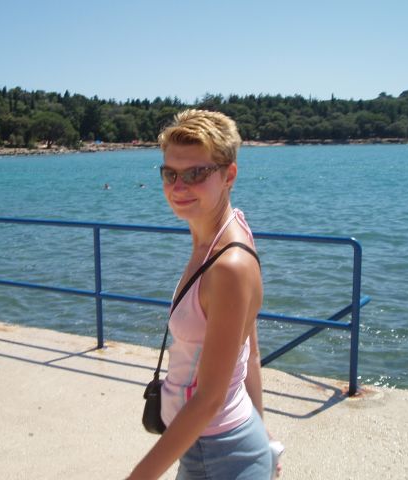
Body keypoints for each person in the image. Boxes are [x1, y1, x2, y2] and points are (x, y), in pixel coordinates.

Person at [128, 110, 282, 479]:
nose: (179, 187)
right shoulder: (227, 228)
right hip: (209, 444)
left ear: (229, 175)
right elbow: (250, 351)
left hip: (219, 454)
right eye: (170, 174)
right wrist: (264, 436)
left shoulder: (228, 267)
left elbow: (210, 399)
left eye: (196, 173)